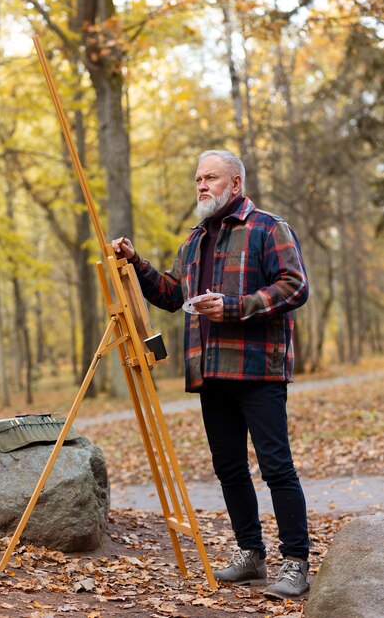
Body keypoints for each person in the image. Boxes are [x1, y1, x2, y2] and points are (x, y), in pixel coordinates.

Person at [112, 149, 310, 599]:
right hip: (209, 370)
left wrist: (235, 307)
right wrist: (137, 263)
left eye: (211, 178)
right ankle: (250, 554)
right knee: (229, 468)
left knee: (277, 468)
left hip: (259, 370)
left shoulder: (268, 228)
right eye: (198, 179)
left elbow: (295, 285)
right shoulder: (195, 238)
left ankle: (296, 562)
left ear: (235, 184)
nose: (202, 186)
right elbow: (171, 293)